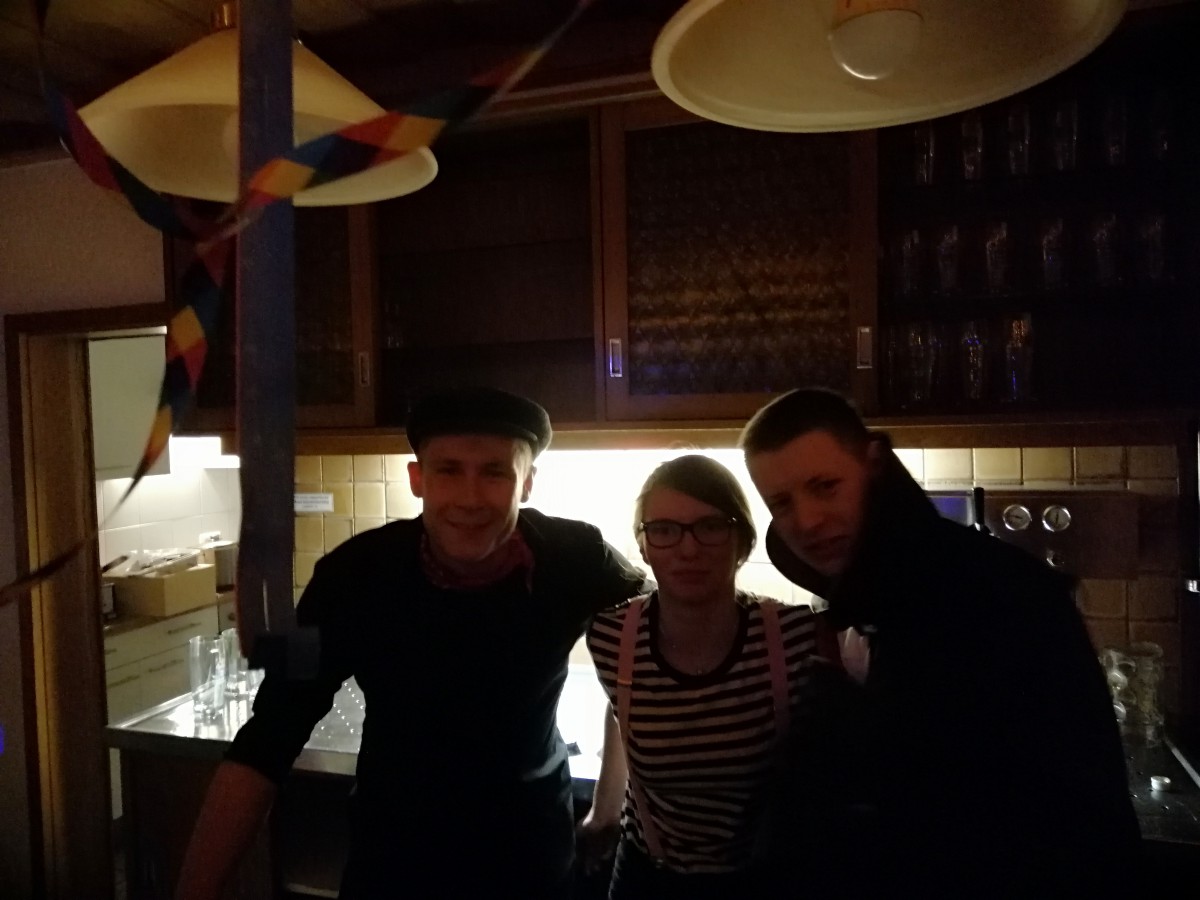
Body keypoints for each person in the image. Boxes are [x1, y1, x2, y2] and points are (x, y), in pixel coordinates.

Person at [175, 387, 647, 900]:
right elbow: (268, 736)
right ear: (417, 479)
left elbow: (650, 656)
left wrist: (608, 806)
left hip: (533, 858)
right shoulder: (350, 575)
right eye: (448, 470)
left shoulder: (576, 556)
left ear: (528, 482)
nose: (470, 497)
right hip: (394, 859)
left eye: (495, 472)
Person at [740, 388, 1143, 898]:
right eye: (781, 503)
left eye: (825, 486)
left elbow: (1000, 816)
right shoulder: (885, 591)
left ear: (873, 466)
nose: (807, 521)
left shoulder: (978, 594)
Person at [578, 454, 827, 899]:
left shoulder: (794, 636)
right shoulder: (612, 636)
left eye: (711, 526)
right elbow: (623, 706)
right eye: (664, 530)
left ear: (743, 541)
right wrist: (605, 811)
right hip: (647, 876)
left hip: (763, 878)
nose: (688, 550)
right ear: (644, 546)